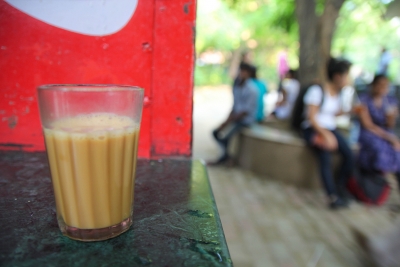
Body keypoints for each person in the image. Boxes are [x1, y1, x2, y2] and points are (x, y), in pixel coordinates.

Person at [302, 57, 354, 209]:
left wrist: (350, 111)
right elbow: (311, 117)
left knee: (349, 155)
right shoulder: (317, 90)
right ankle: (332, 196)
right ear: (338, 76)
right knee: (325, 157)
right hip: (314, 128)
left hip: (329, 128)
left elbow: (332, 113)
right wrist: (325, 135)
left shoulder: (338, 93)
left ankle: (340, 187)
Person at [211, 63, 258, 164]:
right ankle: (227, 156)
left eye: (244, 71)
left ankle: (225, 158)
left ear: (249, 73)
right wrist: (226, 121)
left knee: (227, 136)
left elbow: (245, 111)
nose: (241, 73)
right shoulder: (238, 86)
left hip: (245, 120)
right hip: (235, 117)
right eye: (241, 71)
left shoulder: (252, 90)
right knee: (215, 132)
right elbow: (235, 106)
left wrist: (229, 121)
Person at [357, 75, 400, 176]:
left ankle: (390, 179)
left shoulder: (390, 101)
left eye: (385, 85)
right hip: (370, 133)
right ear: (374, 85)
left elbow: (390, 125)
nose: (382, 88)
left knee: (396, 150)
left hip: (385, 132)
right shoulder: (364, 99)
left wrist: (391, 118)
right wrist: (389, 138)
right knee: (379, 149)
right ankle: (377, 178)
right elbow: (368, 125)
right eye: (380, 85)